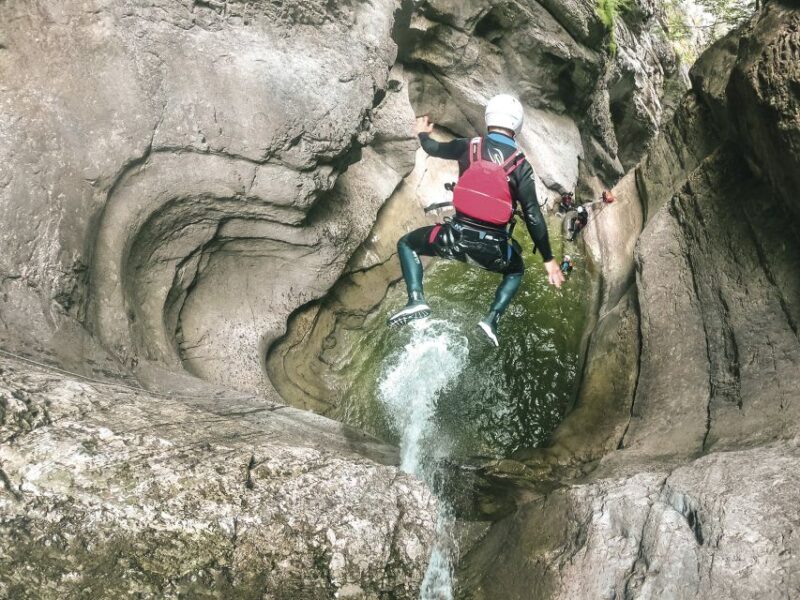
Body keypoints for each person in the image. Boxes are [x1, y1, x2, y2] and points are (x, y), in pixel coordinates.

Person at [387, 94, 565, 347]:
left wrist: (423, 133)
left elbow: (432, 148)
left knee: (407, 243)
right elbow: (534, 216)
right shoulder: (520, 166)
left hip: (453, 239)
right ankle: (491, 320)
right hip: (494, 251)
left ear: (489, 118)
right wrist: (548, 260)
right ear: (517, 126)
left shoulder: (468, 146)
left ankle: (416, 299)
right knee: (516, 270)